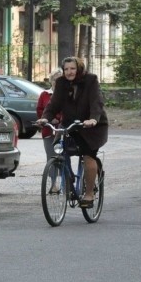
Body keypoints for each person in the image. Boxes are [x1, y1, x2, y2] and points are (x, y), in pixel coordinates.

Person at [37, 56, 108, 208]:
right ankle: (68, 183)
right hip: (70, 124)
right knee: (60, 149)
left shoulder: (90, 80)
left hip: (91, 126)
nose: (69, 72)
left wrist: (93, 119)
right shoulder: (61, 83)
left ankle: (89, 194)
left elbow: (97, 102)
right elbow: (53, 104)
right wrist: (45, 118)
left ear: (79, 68)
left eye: (72, 69)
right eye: (66, 69)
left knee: (88, 155)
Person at [37, 68, 63, 193]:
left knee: (63, 157)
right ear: (51, 81)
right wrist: (48, 119)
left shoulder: (67, 94)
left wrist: (59, 119)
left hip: (63, 130)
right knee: (51, 158)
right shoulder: (44, 95)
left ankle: (65, 184)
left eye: (60, 80)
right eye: (55, 80)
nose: (57, 82)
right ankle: (53, 185)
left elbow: (68, 111)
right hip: (48, 130)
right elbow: (40, 110)